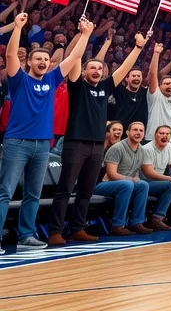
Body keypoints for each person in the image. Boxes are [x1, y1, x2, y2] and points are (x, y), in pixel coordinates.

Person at [1, 11, 85, 249]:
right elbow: (9, 54)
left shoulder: (51, 80)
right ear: (28, 61)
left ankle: (26, 236)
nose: (42, 62)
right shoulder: (18, 80)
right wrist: (17, 28)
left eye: (45, 61)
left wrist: (85, 34)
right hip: (17, 142)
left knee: (33, 195)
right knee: (5, 192)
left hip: (42, 145)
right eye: (37, 59)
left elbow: (75, 56)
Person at [49, 19, 110, 244]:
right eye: (91, 67)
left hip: (97, 146)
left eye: (99, 68)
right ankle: (55, 231)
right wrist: (85, 34)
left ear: (103, 72)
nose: (96, 70)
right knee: (65, 188)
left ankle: (77, 228)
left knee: (86, 191)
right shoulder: (77, 84)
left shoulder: (105, 87)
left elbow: (124, 69)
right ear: (84, 71)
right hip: (75, 143)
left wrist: (139, 48)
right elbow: (74, 57)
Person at [102, 121, 154, 235]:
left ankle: (137, 223)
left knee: (143, 185)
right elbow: (112, 174)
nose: (138, 133)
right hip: (105, 184)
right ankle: (117, 225)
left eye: (141, 131)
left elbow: (140, 172)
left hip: (126, 184)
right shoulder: (117, 148)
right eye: (135, 130)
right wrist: (130, 179)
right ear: (127, 132)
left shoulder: (143, 150)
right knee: (127, 184)